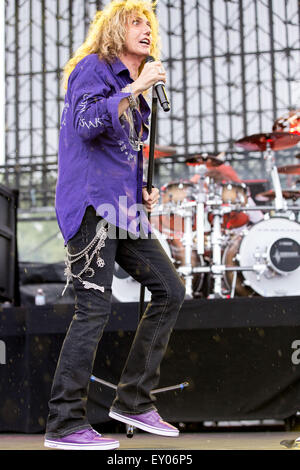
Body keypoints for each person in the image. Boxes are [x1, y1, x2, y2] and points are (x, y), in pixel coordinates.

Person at [44, 0, 186, 451]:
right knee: (94, 308)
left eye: (149, 24)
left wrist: (140, 188)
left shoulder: (133, 87)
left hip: (125, 208)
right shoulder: (93, 69)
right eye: (136, 22)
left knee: (170, 288)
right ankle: (64, 423)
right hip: (90, 205)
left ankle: (134, 400)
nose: (147, 29)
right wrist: (135, 88)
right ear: (113, 31)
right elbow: (85, 125)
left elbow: (122, 149)